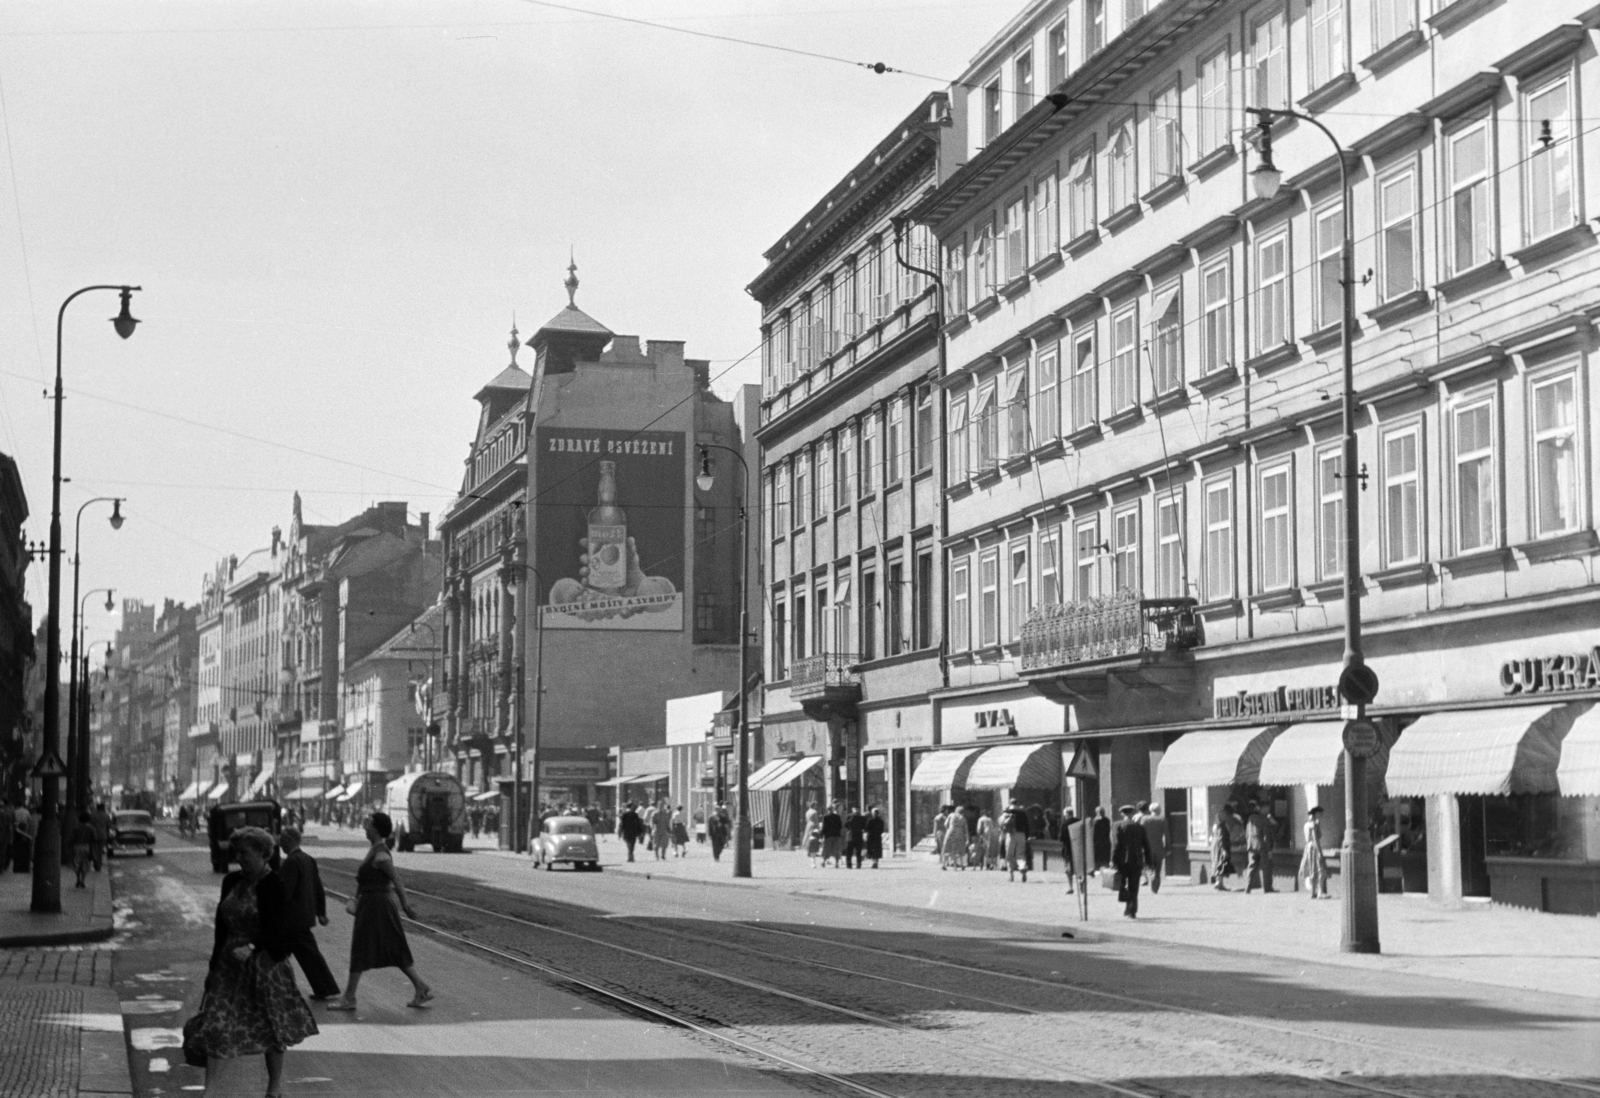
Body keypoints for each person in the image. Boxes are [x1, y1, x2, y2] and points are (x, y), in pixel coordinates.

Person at [197, 826, 318, 1097]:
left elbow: (279, 928)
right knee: (215, 1022)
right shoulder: (231, 881)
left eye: (245, 853)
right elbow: (221, 928)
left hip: (265, 965)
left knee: (270, 1026)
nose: (239, 858)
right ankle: (210, 1091)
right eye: (237, 853)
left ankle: (274, 1087)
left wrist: (253, 946)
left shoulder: (274, 884)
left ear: (263, 854)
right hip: (229, 964)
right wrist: (213, 966)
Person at [328, 813, 432, 1013]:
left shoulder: (381, 855)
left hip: (377, 906)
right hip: (371, 905)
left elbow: (397, 880)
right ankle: (421, 987)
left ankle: (349, 997)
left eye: (369, 824)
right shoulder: (375, 850)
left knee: (362, 948)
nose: (365, 827)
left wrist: (406, 906)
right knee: (392, 947)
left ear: (375, 829)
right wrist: (356, 900)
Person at [275, 828, 341, 1001]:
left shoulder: (291, 862)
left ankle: (324, 987)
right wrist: (321, 912)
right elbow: (318, 887)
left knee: (277, 954)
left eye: (282, 840)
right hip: (303, 916)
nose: (280, 844)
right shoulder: (308, 859)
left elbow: (284, 892)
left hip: (292, 919)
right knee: (305, 954)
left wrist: (273, 910)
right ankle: (324, 987)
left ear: (289, 839)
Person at [1112, 805, 1153, 918]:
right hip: (1136, 860)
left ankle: (1126, 904)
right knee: (1134, 886)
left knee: (1121, 884)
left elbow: (1115, 844)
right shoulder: (1139, 827)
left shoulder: (1117, 825)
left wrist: (1113, 860)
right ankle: (1132, 911)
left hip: (1122, 861)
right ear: (1132, 813)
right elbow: (1146, 845)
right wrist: (1149, 862)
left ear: (1122, 813)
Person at [1244, 801, 1276, 893]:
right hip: (1262, 846)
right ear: (1262, 808)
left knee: (1251, 866)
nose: (1268, 810)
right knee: (1266, 867)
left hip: (1251, 845)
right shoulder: (1264, 819)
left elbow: (1247, 832)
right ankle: (1267, 887)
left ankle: (1248, 887)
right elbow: (1266, 836)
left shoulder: (1251, 818)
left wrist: (1248, 843)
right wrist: (1269, 849)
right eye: (1267, 808)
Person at [1137, 802, 1167, 894]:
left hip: (1147, 848)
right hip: (1159, 847)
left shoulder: (1145, 819)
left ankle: (1152, 874)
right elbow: (1167, 835)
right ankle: (1155, 888)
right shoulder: (1162, 819)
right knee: (1158, 868)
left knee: (1149, 865)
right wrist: (1168, 847)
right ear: (1159, 810)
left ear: (1150, 810)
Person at [1301, 806, 1329, 898]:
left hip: (1308, 848)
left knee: (1312, 869)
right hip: (1315, 847)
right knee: (1320, 869)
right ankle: (1320, 892)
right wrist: (1319, 852)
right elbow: (1316, 838)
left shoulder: (1306, 824)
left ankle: (1313, 892)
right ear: (1316, 814)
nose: (1321, 815)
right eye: (1320, 814)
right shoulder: (1314, 825)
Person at [1000, 799, 1030, 882]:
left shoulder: (1007, 812)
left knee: (1009, 855)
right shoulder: (1023, 813)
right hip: (1021, 834)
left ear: (1010, 803)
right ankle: (1022, 866)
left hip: (1010, 834)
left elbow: (1002, 824)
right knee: (1020, 854)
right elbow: (1027, 826)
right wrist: (1026, 837)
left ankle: (1011, 875)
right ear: (1017, 803)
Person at [1210, 804, 1236, 890]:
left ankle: (1220, 883)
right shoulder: (1222, 826)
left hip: (1216, 846)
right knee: (1221, 863)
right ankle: (1218, 882)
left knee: (1218, 863)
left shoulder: (1217, 826)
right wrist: (1224, 849)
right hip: (1220, 847)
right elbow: (1222, 838)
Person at [69, 812, 96, 889]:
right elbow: (94, 839)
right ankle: (83, 881)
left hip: (76, 847)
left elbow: (71, 838)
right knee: (85, 864)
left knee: (77, 864)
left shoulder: (76, 827)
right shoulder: (91, 828)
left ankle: (78, 879)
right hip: (86, 847)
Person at [940, 804, 969, 871]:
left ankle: (945, 865)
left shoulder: (951, 815)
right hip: (960, 834)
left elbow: (945, 824)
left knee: (947, 849)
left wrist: (949, 829)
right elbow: (966, 830)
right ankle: (962, 865)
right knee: (959, 850)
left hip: (950, 833)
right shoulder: (963, 818)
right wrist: (967, 839)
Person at [90, 802, 113, 872]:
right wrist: (107, 834)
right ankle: (98, 865)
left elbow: (90, 825)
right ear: (103, 808)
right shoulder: (106, 815)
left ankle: (95, 863)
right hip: (103, 835)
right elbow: (108, 826)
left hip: (93, 835)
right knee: (100, 851)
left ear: (97, 808)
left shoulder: (92, 815)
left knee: (94, 850)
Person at [819, 803, 844, 868]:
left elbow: (824, 827)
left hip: (828, 835)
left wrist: (821, 835)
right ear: (833, 809)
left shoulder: (825, 817)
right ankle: (836, 863)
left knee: (827, 849)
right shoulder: (837, 816)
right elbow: (840, 826)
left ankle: (824, 862)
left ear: (827, 809)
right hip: (836, 835)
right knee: (836, 849)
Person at [1091, 806, 1112, 871]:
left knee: (1102, 858)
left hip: (1101, 842)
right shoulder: (1105, 820)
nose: (1101, 813)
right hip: (1101, 842)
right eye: (1100, 812)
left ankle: (1100, 868)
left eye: (1102, 812)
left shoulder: (1096, 820)